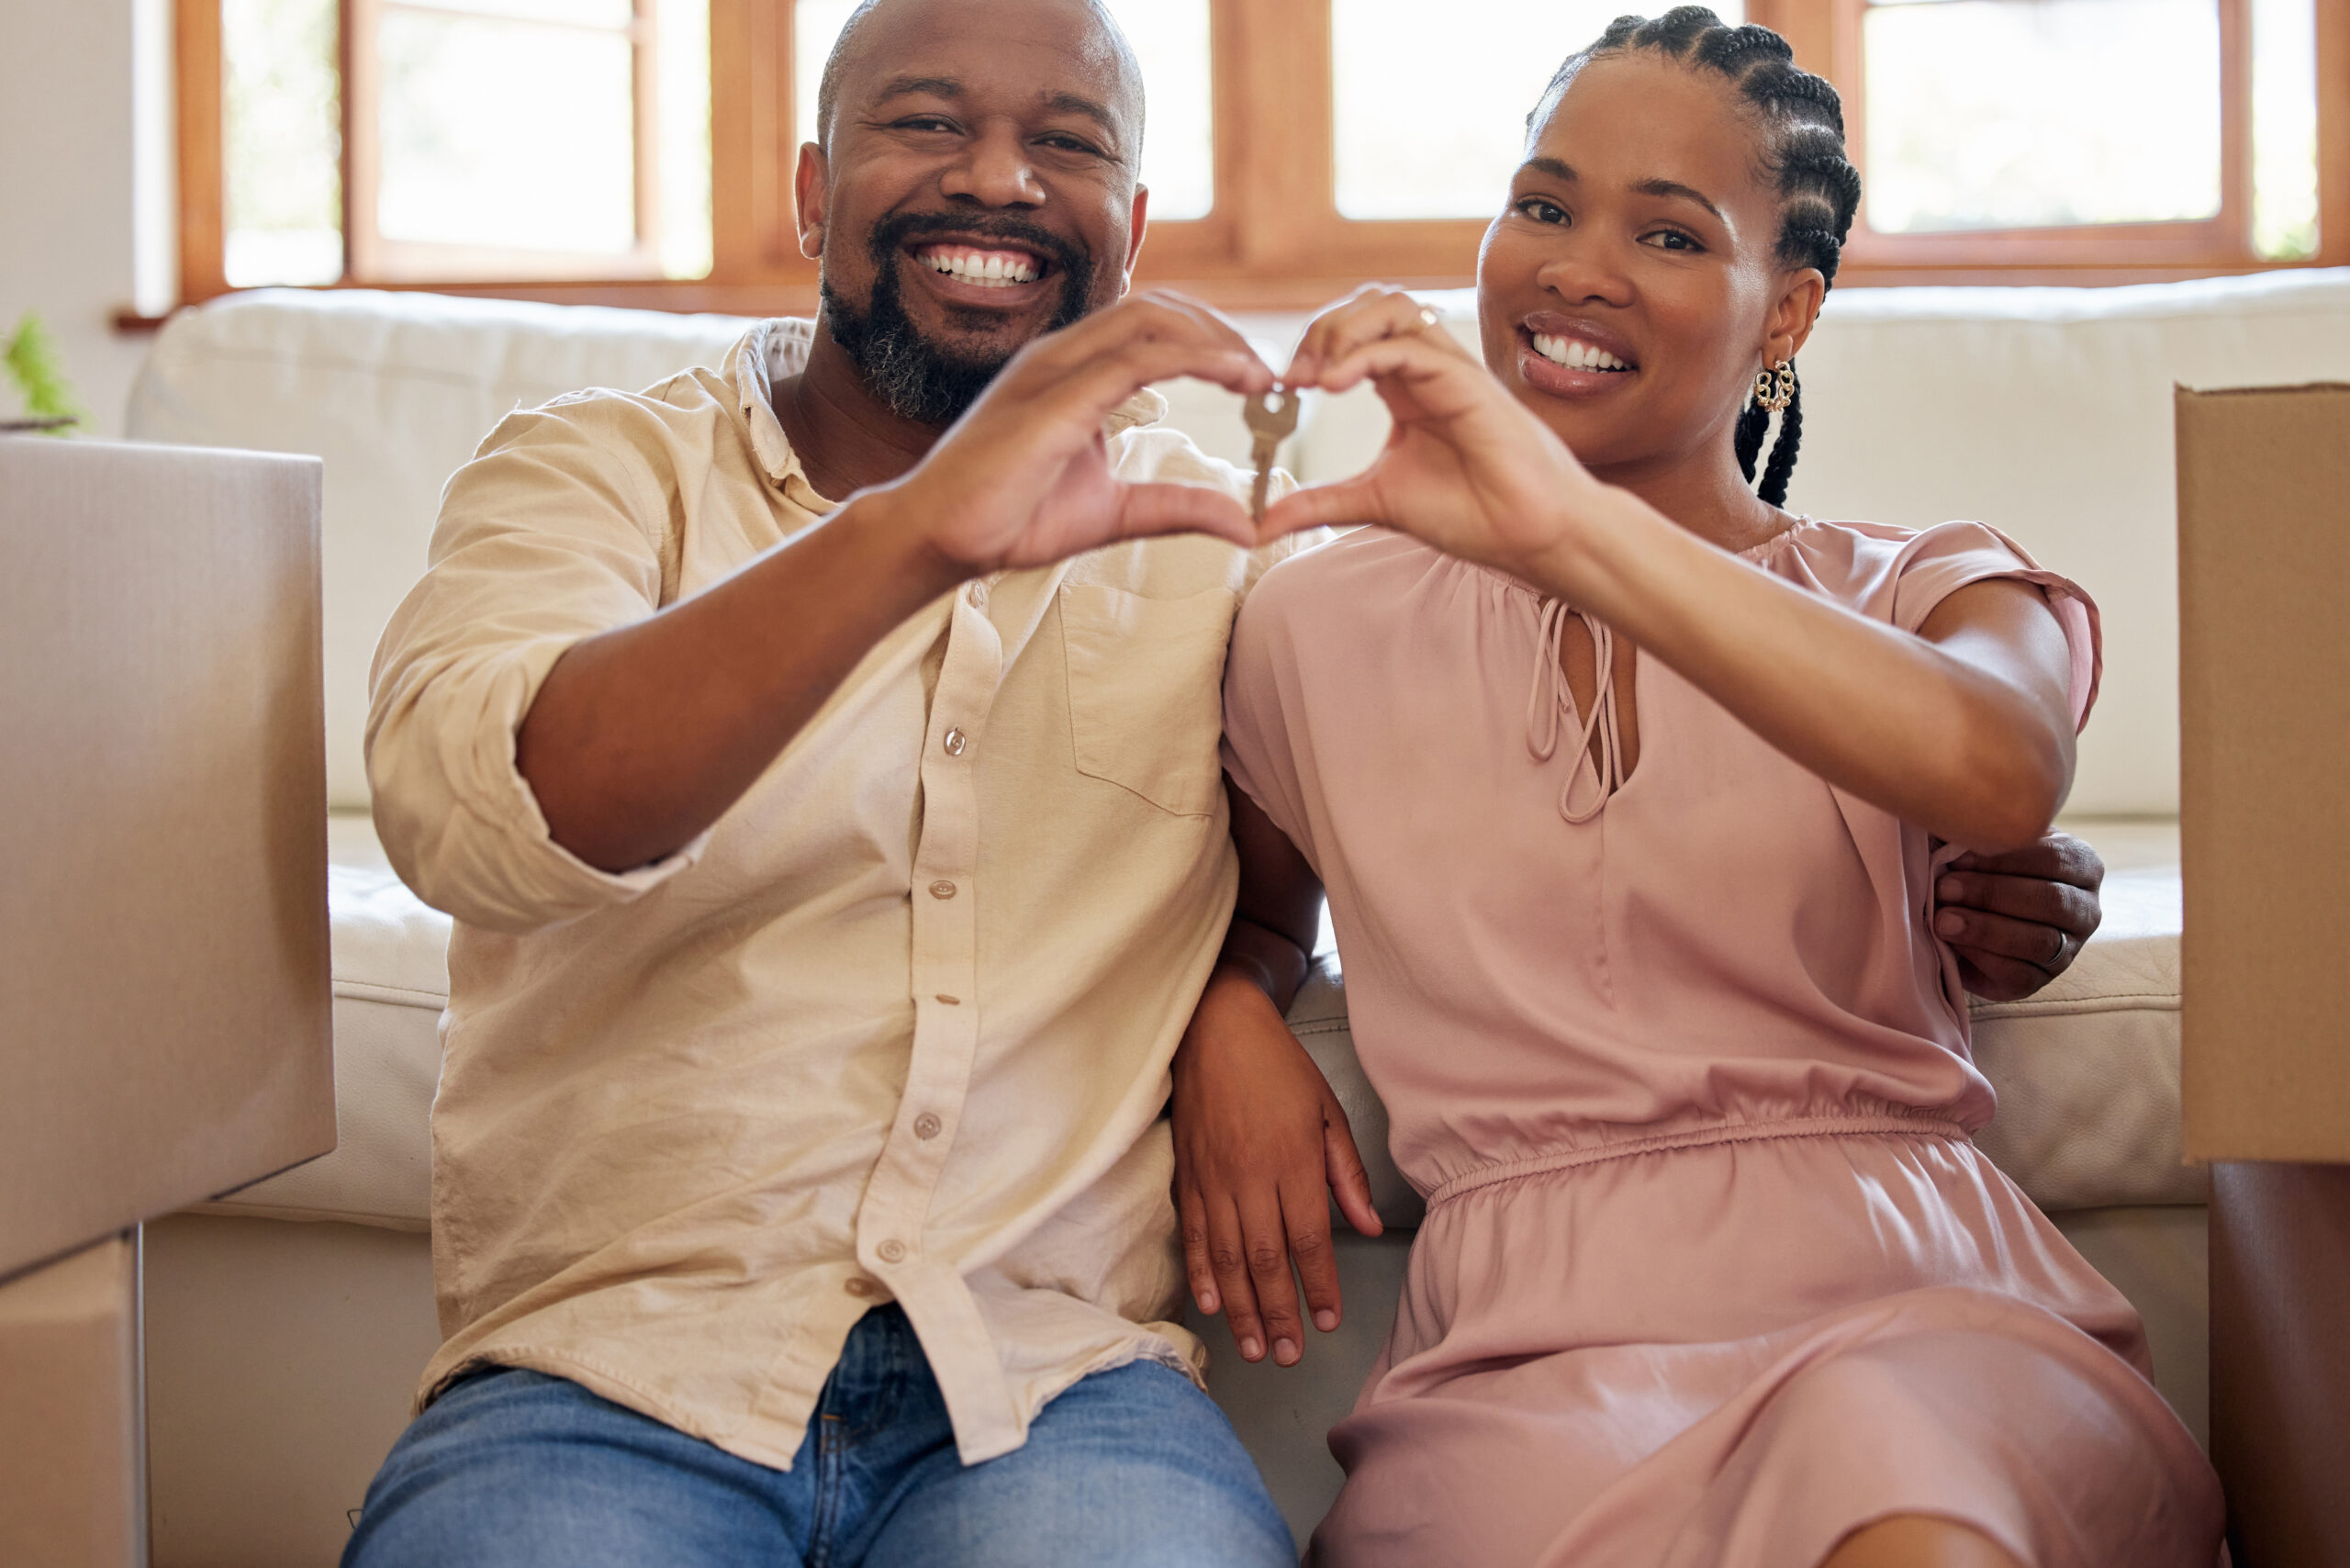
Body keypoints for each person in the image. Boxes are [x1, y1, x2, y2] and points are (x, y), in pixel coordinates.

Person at [347, 0, 2108, 1562]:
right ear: (812, 190)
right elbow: (493, 805)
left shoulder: (1229, 555)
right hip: (622, 1364)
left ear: (1134, 224)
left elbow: (1981, 760)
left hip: (1064, 1380)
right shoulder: (606, 475)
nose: (1000, 182)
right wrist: (926, 556)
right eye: (925, 125)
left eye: (1068, 144)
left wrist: (1234, 993)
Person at [1172, 10, 2221, 1567]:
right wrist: (1224, 1018)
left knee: (1898, 1488)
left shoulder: (1926, 586)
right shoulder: (1315, 619)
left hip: (1908, 1309)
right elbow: (1250, 917)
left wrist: (1566, 531)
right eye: (1543, 205)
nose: (1576, 266)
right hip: (1520, 1368)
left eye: (1667, 232)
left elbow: (2003, 770)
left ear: (1785, 312)